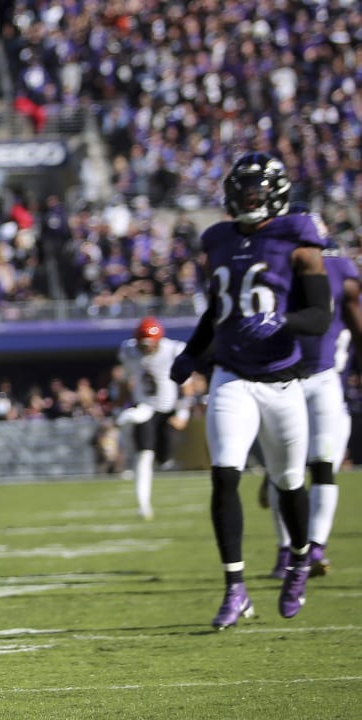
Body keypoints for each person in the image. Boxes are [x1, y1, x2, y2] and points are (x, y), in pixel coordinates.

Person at [168, 152, 331, 629]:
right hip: (232, 376)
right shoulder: (217, 240)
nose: (249, 199)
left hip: (282, 380)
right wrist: (194, 354)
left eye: (257, 192)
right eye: (243, 191)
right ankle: (234, 586)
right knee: (225, 475)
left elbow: (319, 315)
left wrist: (284, 320)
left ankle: (299, 558)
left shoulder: (298, 236)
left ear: (276, 194)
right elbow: (217, 310)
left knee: (289, 483)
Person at [260, 205, 362, 579]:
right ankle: (287, 548)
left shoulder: (340, 271)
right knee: (282, 472)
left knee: (323, 463)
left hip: (322, 378)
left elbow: (355, 320)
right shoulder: (267, 266)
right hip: (278, 377)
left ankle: (314, 545)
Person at [114, 317, 192, 521]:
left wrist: (183, 412)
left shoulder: (173, 350)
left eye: (150, 344)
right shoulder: (129, 351)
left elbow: (187, 383)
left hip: (168, 410)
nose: (146, 348)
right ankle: (143, 505)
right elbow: (125, 380)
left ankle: (164, 459)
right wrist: (119, 406)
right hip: (145, 408)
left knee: (164, 459)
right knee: (144, 456)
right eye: (143, 344)